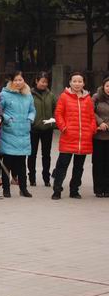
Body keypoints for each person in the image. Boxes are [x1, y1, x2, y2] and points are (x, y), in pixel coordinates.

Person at [51, 72, 96, 200]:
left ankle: (74, 190)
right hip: (68, 137)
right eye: (74, 81)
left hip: (84, 139)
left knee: (79, 167)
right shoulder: (64, 97)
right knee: (62, 165)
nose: (77, 84)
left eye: (80, 81)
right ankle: (57, 190)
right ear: (70, 82)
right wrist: (64, 127)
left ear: (84, 83)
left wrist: (92, 129)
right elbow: (58, 114)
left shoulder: (87, 98)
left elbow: (92, 116)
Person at [0, 71, 36, 198]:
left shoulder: (28, 95)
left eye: (21, 80)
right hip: (9, 132)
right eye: (16, 80)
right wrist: (7, 119)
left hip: (23, 133)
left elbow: (32, 110)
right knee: (7, 163)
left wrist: (30, 119)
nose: (18, 82)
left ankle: (23, 189)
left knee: (22, 163)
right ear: (11, 81)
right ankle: (6, 189)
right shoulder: (4, 94)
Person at [28, 72, 56, 188]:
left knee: (46, 155)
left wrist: (52, 121)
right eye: (42, 81)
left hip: (47, 129)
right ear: (36, 81)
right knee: (32, 154)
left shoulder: (51, 95)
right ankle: (32, 178)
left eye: (46, 82)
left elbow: (56, 110)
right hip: (33, 129)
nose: (44, 84)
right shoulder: (29, 94)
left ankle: (46, 178)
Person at [92, 77, 109, 197]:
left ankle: (107, 189)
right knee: (98, 163)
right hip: (98, 136)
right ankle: (98, 189)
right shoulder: (96, 97)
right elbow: (90, 111)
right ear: (103, 86)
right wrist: (100, 122)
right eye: (107, 86)